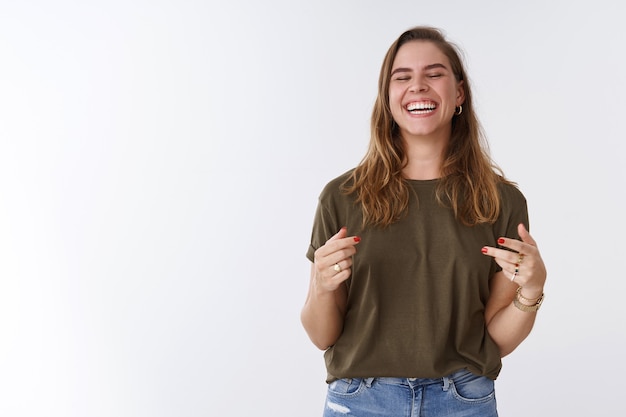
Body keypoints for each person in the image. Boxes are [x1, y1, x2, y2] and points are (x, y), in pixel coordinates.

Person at [300, 26, 547, 417]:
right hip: (361, 400)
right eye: (403, 77)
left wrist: (532, 289)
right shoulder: (341, 196)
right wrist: (322, 286)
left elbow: (495, 339)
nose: (418, 86)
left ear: (459, 93)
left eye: (434, 74)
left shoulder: (501, 202)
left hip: (463, 400)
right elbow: (321, 334)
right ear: (388, 96)